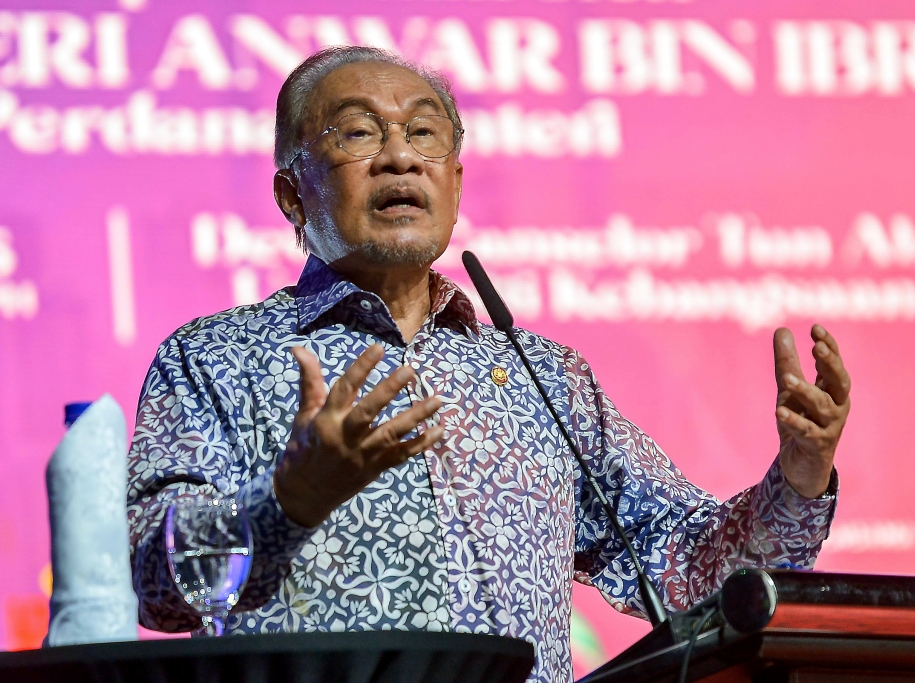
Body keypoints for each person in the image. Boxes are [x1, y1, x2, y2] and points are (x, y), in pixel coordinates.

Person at [127, 46, 851, 683]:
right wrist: (287, 503)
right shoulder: (211, 359)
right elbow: (152, 582)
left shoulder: (545, 375)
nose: (400, 157)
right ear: (292, 193)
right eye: (356, 132)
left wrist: (800, 475)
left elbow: (690, 567)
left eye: (423, 133)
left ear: (456, 183)